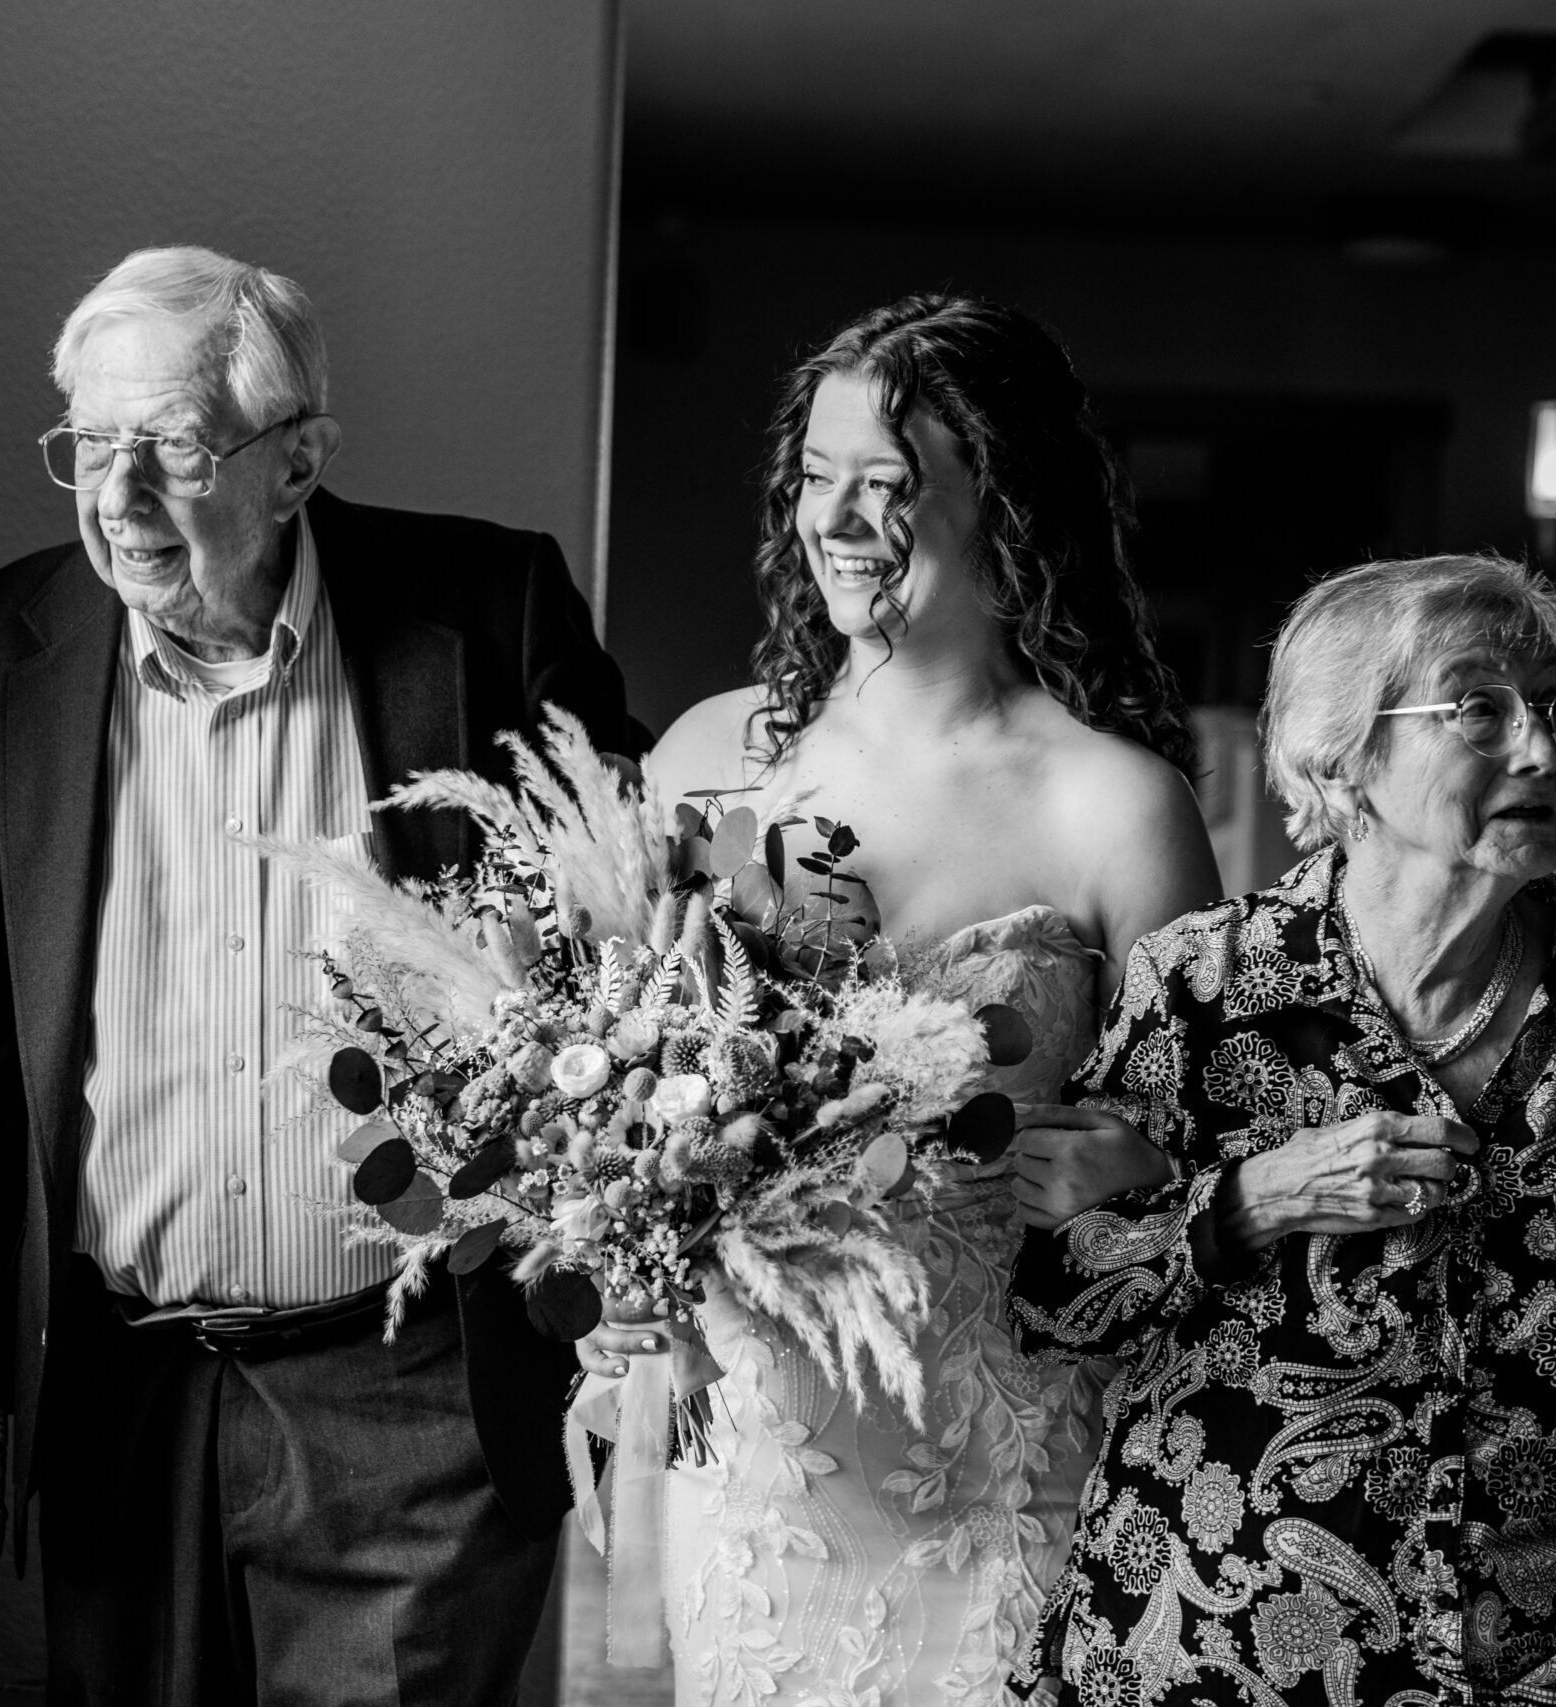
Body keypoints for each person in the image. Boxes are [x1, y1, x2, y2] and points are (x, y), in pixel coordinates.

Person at [0, 245, 636, 1705]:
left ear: (296, 461)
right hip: (124, 1394)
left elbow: (636, 959)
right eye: (89, 448)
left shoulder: (490, 613)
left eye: (170, 447)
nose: (118, 498)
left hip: (414, 1396)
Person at [1005, 555, 1556, 1706]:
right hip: (1227, 1647)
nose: (1542, 752)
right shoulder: (1206, 987)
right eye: (1480, 710)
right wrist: (1252, 1200)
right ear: (1344, 759)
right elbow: (1052, 1301)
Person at [597, 294, 1222, 1704]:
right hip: (763, 1462)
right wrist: (621, 1248)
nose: (839, 515)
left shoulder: (1117, 804)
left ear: (1008, 505)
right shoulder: (714, 762)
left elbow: (1219, 1140)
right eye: (816, 477)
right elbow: (622, 1093)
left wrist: (1136, 1163)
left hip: (1007, 1462)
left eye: (889, 481)